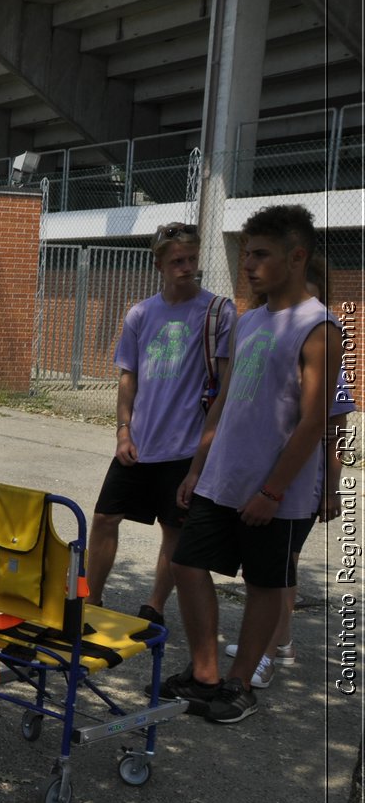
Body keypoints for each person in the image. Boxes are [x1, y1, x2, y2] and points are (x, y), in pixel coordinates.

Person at [167, 207, 342, 724]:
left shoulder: (320, 328)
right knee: (186, 563)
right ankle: (205, 673)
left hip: (277, 494)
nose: (248, 265)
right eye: (247, 254)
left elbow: (314, 422)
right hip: (222, 478)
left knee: (264, 584)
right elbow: (223, 400)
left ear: (297, 257)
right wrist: (198, 467)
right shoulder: (250, 320)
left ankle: (239, 685)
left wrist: (272, 491)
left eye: (261, 254)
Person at [86, 222, 235, 624]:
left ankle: (154, 606)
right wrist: (123, 431)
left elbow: (224, 385)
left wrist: (206, 449)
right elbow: (127, 376)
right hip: (139, 442)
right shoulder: (140, 313)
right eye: (176, 261)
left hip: (185, 447)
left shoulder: (218, 311)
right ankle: (90, 599)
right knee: (104, 517)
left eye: (190, 260)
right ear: (159, 265)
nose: (185, 268)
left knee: (173, 530)